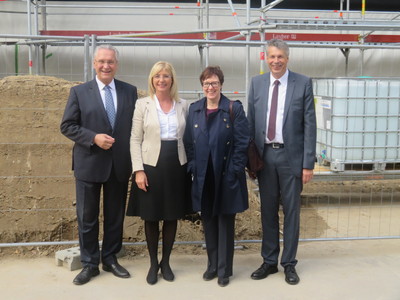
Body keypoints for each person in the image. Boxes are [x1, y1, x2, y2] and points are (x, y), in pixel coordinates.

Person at [60, 44, 138, 285]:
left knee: (114, 216)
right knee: (87, 217)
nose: (106, 65)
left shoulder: (129, 91)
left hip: (118, 165)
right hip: (89, 163)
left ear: (116, 64)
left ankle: (111, 258)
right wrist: (93, 137)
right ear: (94, 64)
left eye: (111, 62)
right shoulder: (79, 92)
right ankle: (90, 264)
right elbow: (67, 126)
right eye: (102, 61)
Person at [247, 39, 316, 285]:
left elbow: (310, 126)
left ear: (287, 59)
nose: (276, 61)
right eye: (272, 56)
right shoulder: (256, 83)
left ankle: (289, 263)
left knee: (291, 212)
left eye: (280, 57)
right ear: (265, 58)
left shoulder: (303, 83)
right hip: (265, 158)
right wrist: (250, 160)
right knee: (267, 211)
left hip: (291, 158)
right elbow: (250, 122)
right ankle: (269, 261)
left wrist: (308, 164)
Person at [184, 66, 249, 287]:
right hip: (204, 176)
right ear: (201, 86)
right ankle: (212, 265)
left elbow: (242, 143)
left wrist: (234, 170)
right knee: (209, 222)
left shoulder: (233, 109)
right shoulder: (194, 109)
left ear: (221, 84)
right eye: (206, 83)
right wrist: (192, 166)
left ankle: (224, 270)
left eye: (214, 83)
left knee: (225, 223)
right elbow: (188, 142)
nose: (210, 87)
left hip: (226, 175)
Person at [126, 61, 190, 285]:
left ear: (172, 80)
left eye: (166, 76)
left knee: (172, 215)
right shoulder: (142, 104)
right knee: (151, 216)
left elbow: (188, 138)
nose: (161, 80)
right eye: (157, 76)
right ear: (152, 80)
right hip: (151, 165)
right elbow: (135, 139)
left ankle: (166, 262)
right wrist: (138, 170)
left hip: (177, 165)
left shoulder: (183, 105)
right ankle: (153, 263)